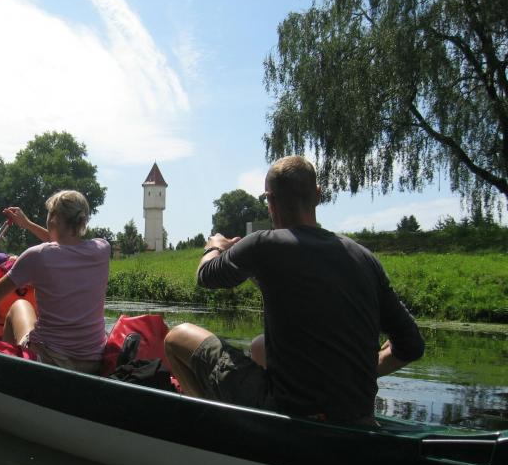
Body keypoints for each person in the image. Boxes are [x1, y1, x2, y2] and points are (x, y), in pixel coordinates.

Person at [164, 155, 425, 424]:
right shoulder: (364, 257)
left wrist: (214, 247)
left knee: (177, 337)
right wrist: (364, 372)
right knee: (260, 346)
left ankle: (206, 425)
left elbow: (206, 275)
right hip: (357, 416)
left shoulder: (263, 245)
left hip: (290, 412)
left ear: (270, 200)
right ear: (318, 195)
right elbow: (411, 345)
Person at [0, 190, 110, 374]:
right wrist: (27, 224)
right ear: (82, 220)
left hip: (50, 359)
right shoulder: (102, 249)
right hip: (93, 362)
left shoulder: (38, 255)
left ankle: (3, 373)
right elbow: (67, 243)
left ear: (53, 218)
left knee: (19, 305)